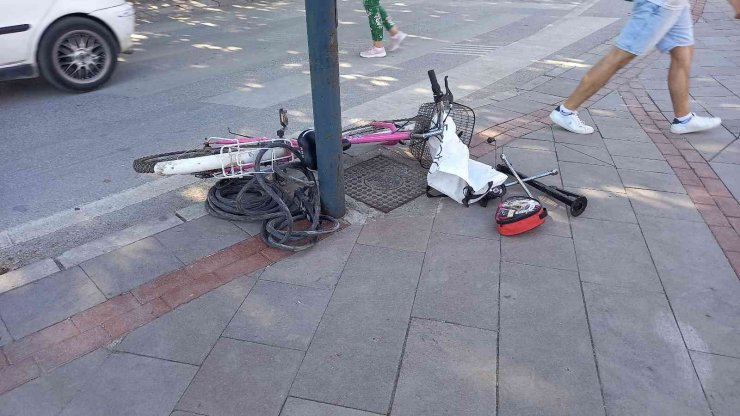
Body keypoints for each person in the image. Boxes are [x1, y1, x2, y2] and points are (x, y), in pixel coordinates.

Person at [550, 0, 722, 135]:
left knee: (682, 54)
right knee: (619, 57)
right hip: (658, 5)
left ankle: (683, 119)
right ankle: (565, 111)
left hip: (676, 4)